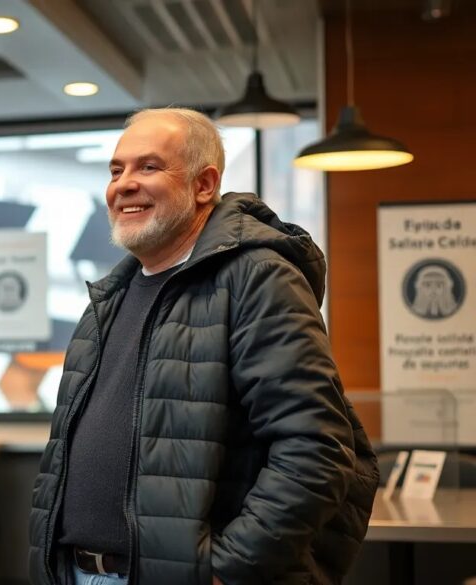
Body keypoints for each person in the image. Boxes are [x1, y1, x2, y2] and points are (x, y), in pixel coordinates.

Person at [28, 108, 379, 585]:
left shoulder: (257, 278)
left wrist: (225, 572)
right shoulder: (109, 299)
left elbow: (316, 448)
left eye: (148, 167)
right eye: (116, 170)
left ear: (204, 185)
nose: (124, 185)